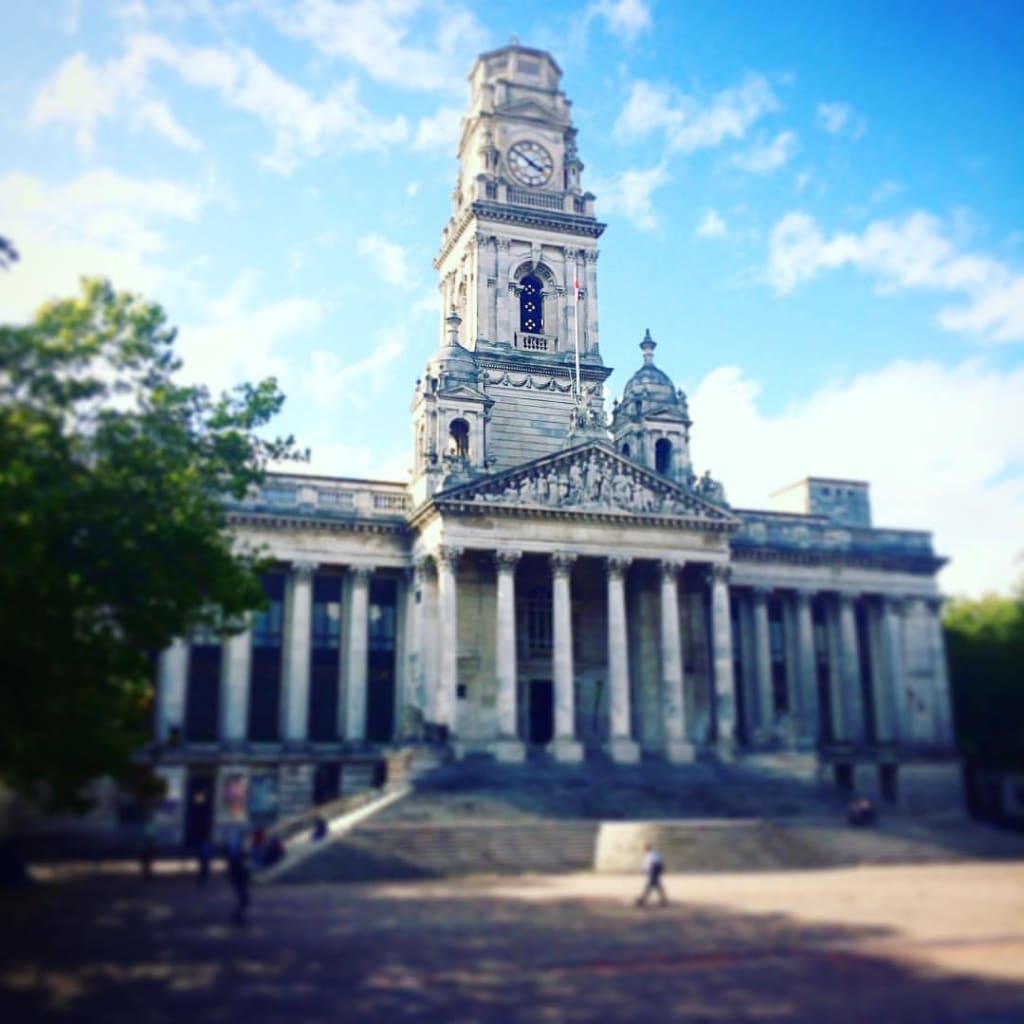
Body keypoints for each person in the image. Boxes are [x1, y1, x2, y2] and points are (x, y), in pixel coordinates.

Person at [225, 830, 250, 925]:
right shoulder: (237, 845)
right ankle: (237, 917)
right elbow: (237, 857)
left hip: (237, 876)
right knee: (244, 899)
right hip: (238, 876)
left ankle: (237, 916)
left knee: (244, 899)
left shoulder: (236, 844)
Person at [636, 841, 667, 907]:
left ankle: (642, 900)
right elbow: (660, 863)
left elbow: (651, 863)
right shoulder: (654, 854)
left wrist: (645, 870)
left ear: (647, 848)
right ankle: (663, 901)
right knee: (657, 885)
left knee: (650, 885)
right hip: (655, 870)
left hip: (654, 870)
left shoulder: (650, 855)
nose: (643, 850)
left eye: (644, 848)